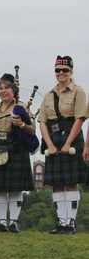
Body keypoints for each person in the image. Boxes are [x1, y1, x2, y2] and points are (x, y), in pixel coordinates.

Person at [0, 73, 35, 233]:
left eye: (6, 88)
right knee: (0, 188)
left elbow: (32, 131)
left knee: (16, 188)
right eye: (0, 88)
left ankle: (14, 223)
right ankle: (2, 223)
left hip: (16, 148)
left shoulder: (22, 107)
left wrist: (22, 124)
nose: (3, 91)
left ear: (13, 90)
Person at [38, 55, 87, 234]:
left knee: (71, 182)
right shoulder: (48, 95)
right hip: (53, 137)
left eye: (64, 70)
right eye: (57, 70)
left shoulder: (78, 92)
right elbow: (42, 121)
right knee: (57, 183)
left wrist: (68, 143)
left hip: (71, 136)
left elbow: (80, 118)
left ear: (71, 72)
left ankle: (70, 223)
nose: (61, 73)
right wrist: (50, 144)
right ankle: (61, 221)